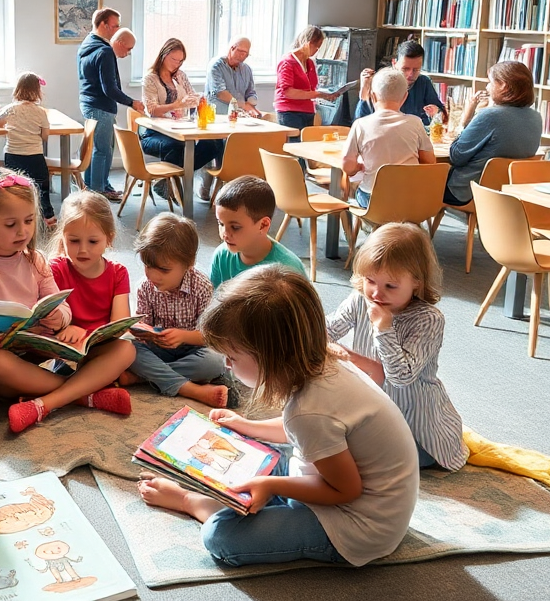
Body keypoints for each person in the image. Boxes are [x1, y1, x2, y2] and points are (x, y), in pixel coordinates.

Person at [137, 265, 419, 568]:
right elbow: (308, 434)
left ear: (270, 356)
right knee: (257, 457)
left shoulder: (309, 410)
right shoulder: (324, 360)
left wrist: (272, 486)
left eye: (233, 357)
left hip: (358, 525)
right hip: (350, 486)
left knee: (220, 537)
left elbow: (346, 489)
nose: (228, 367)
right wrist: (247, 426)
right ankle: (256, 494)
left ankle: (191, 501)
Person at [0, 170, 132, 433]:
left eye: (29, 220)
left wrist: (57, 316)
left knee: (126, 350)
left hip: (46, 350)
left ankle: (47, 401)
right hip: (10, 362)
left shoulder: (35, 260)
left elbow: (62, 308)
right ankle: (83, 393)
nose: (23, 231)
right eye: (11, 224)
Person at [325, 223, 468, 471]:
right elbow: (324, 330)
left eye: (390, 286)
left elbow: (401, 377)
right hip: (373, 411)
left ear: (416, 282)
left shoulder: (428, 319)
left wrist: (383, 328)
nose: (377, 293)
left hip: (416, 428)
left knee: (362, 458)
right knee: (327, 435)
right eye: (370, 280)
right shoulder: (361, 299)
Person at [128, 213, 229, 408]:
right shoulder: (145, 286)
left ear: (188, 265)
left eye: (164, 270)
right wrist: (143, 332)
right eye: (148, 265)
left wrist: (183, 336)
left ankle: (142, 378)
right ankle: (189, 388)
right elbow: (143, 327)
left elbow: (209, 336)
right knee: (127, 350)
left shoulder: (201, 286)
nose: (153, 275)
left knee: (215, 362)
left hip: (192, 349)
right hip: (159, 350)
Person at [47, 191, 137, 373]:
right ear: (63, 237)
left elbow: (118, 327)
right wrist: (66, 329)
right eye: (73, 241)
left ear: (109, 239)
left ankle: (70, 387)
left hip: (100, 347)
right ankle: (84, 388)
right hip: (63, 348)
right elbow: (46, 322)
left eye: (93, 241)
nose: (83, 250)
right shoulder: (54, 269)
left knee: (127, 350)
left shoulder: (118, 273)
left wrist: (85, 334)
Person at [443, 60, 542, 206]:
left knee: (422, 183)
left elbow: (456, 156)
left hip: (469, 192)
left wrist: (465, 123)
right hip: (507, 193)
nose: (487, 87)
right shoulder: (536, 117)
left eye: (490, 82)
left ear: (503, 85)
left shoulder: (491, 116)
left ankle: (410, 227)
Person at [342, 68, 437, 208]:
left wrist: (359, 167)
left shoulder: (360, 125)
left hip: (373, 199)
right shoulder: (416, 123)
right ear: (405, 97)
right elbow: (430, 162)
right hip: (409, 199)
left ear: (372, 96)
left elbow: (347, 166)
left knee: (357, 192)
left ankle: (373, 227)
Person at [141, 38, 222, 201]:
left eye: (180, 61)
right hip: (155, 134)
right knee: (177, 145)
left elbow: (192, 95)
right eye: (173, 59)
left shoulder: (181, 76)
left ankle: (167, 182)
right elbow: (152, 110)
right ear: (163, 56)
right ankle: (174, 186)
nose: (176, 64)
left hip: (179, 129)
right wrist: (176, 105)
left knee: (215, 143)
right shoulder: (150, 79)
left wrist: (195, 100)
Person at [77, 8, 144, 201]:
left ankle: (95, 186)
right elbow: (110, 89)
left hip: (88, 103)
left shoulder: (86, 44)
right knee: (102, 149)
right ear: (103, 24)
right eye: (114, 26)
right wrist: (132, 103)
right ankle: (98, 191)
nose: (116, 29)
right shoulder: (105, 51)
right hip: (100, 107)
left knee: (97, 148)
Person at [210, 175, 305, 289]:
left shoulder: (289, 268)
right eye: (221, 223)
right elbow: (214, 300)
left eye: (235, 227)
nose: (224, 233)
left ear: (263, 225)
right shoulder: (221, 255)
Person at [0, 72, 56, 224]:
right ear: (37, 92)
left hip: (13, 154)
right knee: (42, 185)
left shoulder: (10, 109)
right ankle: (48, 216)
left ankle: (14, 214)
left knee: (13, 186)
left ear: (17, 89)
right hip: (34, 155)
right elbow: (45, 136)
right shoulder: (40, 112)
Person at [357, 40, 447, 125]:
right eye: (405, 69)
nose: (410, 74)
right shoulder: (381, 82)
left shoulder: (423, 82)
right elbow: (360, 122)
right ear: (394, 63)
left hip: (414, 135)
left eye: (416, 70)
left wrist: (437, 112)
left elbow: (443, 116)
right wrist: (364, 91)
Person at [274, 25, 343, 134]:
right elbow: (288, 92)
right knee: (295, 145)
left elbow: (311, 89)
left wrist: (326, 95)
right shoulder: (287, 62)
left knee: (307, 142)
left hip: (307, 110)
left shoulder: (310, 63)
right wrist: (318, 94)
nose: (317, 51)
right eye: (317, 47)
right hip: (289, 111)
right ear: (309, 43)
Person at [206, 37, 257, 115]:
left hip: (240, 116)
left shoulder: (246, 69)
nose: (243, 56)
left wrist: (251, 104)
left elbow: (251, 92)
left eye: (246, 55)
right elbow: (221, 93)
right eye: (241, 52)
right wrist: (243, 105)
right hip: (218, 116)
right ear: (232, 48)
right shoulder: (216, 66)